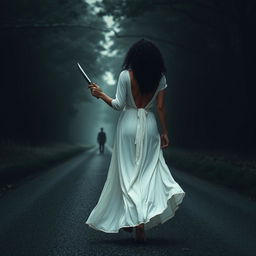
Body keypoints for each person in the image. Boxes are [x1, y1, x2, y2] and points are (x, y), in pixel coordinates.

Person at [85, 38, 185, 242]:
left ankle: (133, 219)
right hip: (149, 126)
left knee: (127, 174)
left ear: (133, 56)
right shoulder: (160, 78)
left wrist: (100, 94)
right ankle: (139, 220)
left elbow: (118, 105)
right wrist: (165, 132)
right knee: (147, 174)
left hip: (128, 126)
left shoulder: (125, 75)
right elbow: (160, 107)